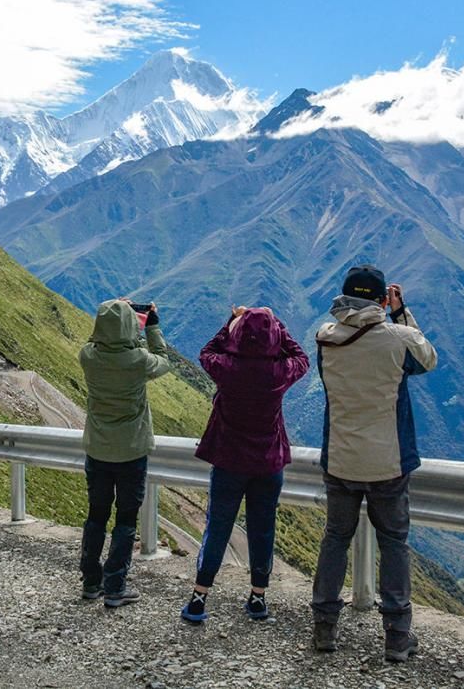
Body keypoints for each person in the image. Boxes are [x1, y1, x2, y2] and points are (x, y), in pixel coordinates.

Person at [310, 265, 437, 662]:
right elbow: (425, 359)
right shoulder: (398, 340)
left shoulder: (326, 339)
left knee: (335, 540)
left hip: (341, 459)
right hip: (387, 463)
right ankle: (397, 636)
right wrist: (400, 313)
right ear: (382, 299)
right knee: (394, 544)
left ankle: (324, 629)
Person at [181, 306, 309, 624]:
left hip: (228, 461)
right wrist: (274, 322)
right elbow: (301, 357)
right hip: (268, 464)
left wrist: (231, 323)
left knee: (218, 527)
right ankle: (257, 599)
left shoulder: (226, 366)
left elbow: (207, 351)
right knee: (262, 530)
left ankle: (199, 598)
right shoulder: (279, 371)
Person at [78, 298, 173, 607]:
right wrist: (151, 326)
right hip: (131, 450)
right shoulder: (138, 361)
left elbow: (101, 336)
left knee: (96, 515)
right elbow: (163, 358)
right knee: (126, 519)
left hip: (98, 449)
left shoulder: (88, 357)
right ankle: (115, 586)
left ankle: (91, 582)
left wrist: (114, 311)